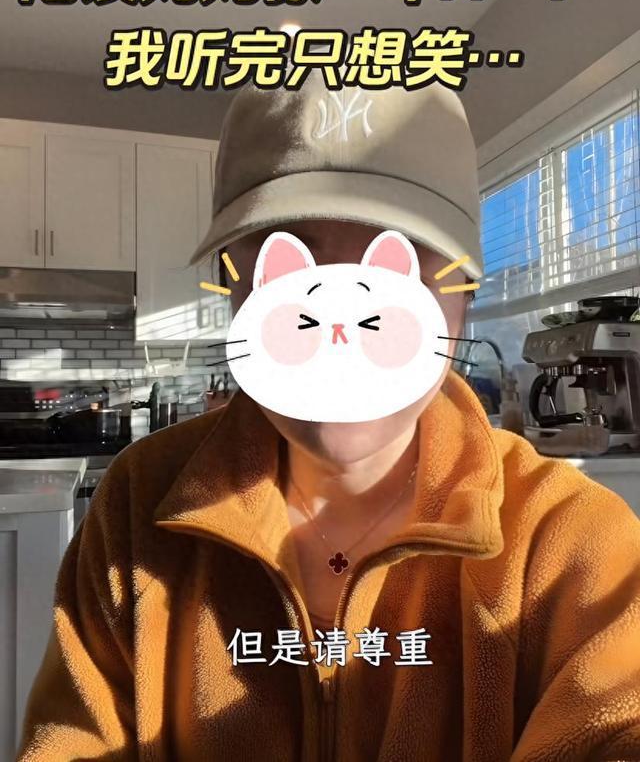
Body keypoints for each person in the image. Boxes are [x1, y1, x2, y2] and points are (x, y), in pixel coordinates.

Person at [17, 74, 640, 761]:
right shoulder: (140, 504)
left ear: (463, 291)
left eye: (395, 263)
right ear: (234, 285)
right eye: (290, 259)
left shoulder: (569, 537)